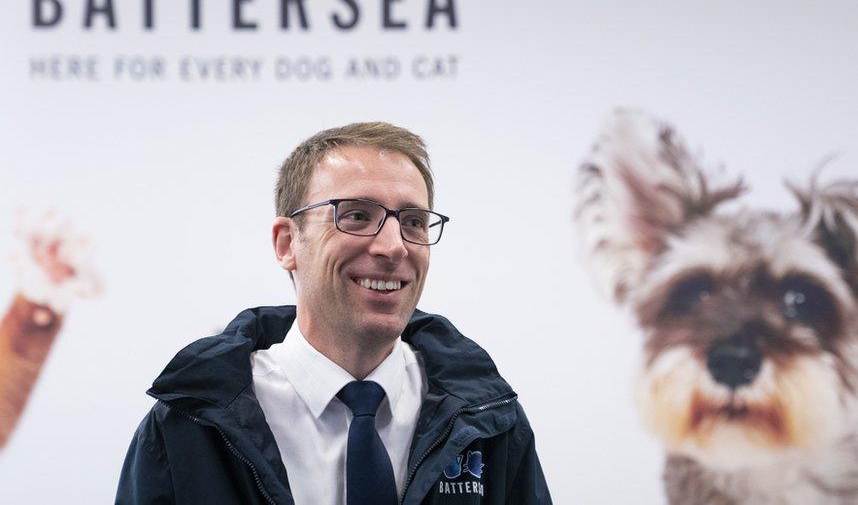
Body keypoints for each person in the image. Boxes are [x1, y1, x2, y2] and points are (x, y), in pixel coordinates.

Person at [115, 123, 551, 504]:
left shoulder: (489, 422)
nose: (394, 246)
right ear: (288, 244)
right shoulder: (187, 428)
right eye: (358, 216)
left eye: (414, 221)